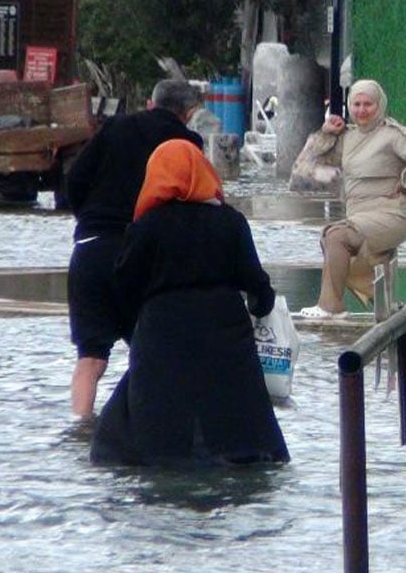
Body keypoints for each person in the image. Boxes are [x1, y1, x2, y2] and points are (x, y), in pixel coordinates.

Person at [90, 139, 288, 467]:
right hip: (225, 331)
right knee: (235, 410)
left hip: (164, 330)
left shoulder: (147, 226)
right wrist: (261, 308)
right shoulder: (230, 221)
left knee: (159, 410)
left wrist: (135, 327)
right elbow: (255, 282)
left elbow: (123, 284)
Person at [64, 78, 205, 419]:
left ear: (150, 103)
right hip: (144, 252)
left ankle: (81, 426)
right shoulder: (187, 143)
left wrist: (90, 219)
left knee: (91, 356)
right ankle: (146, 425)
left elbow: (74, 179)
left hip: (91, 248)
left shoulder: (114, 128)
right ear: (188, 113)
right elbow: (192, 202)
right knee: (150, 348)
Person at [295, 79, 406, 319]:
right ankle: (379, 296)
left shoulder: (391, 134)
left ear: (379, 104)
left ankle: (331, 307)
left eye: (368, 104)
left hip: (394, 212)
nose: (362, 110)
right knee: (330, 238)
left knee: (336, 235)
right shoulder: (346, 138)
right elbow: (303, 172)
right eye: (357, 104)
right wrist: (325, 134)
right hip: (361, 216)